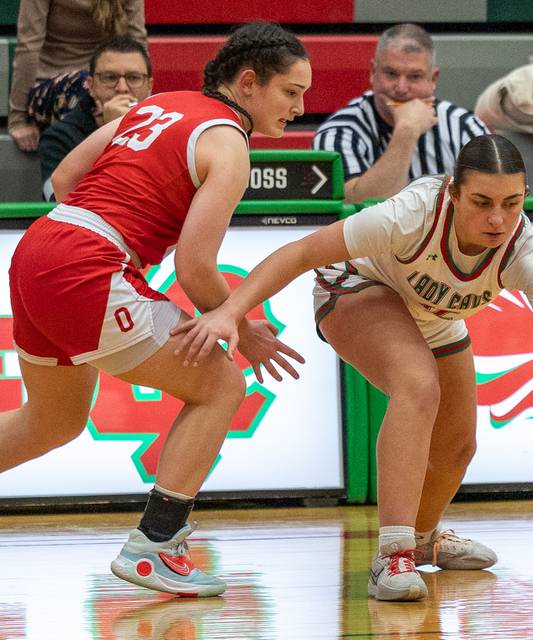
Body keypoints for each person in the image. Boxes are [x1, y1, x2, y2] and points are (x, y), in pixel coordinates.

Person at [172, 133, 533, 602]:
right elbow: (302, 252)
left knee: (457, 444)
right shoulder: (411, 214)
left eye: (511, 204)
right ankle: (392, 557)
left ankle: (424, 537)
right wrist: (230, 312)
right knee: (416, 385)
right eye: (482, 203)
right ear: (454, 192)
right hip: (355, 288)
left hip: (431, 317)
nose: (498, 219)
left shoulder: (525, 250)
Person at [1, 22, 309, 597]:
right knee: (221, 386)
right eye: (291, 92)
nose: (299, 107)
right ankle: (156, 547)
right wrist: (242, 324)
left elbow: (66, 178)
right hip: (88, 264)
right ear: (248, 83)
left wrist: (114, 224)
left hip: (40, 247)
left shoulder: (158, 104)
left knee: (53, 419)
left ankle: (157, 545)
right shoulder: (229, 142)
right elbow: (195, 267)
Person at [312, 23, 488, 204]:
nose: (401, 88)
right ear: (373, 72)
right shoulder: (337, 134)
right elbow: (356, 211)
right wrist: (407, 131)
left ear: (432, 79)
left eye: (415, 76)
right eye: (391, 73)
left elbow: (493, 201)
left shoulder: (466, 128)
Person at [8, 0, 146, 152]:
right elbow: (28, 47)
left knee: (105, 92)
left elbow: (137, 43)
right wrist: (18, 120)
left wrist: (145, 105)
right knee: (86, 89)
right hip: (49, 84)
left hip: (102, 81)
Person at [39, 35, 153, 201]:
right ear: (91, 86)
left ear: (150, 86)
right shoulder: (58, 138)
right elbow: (56, 200)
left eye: (133, 78)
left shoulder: (170, 128)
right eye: (110, 77)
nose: (122, 88)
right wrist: (116, 132)